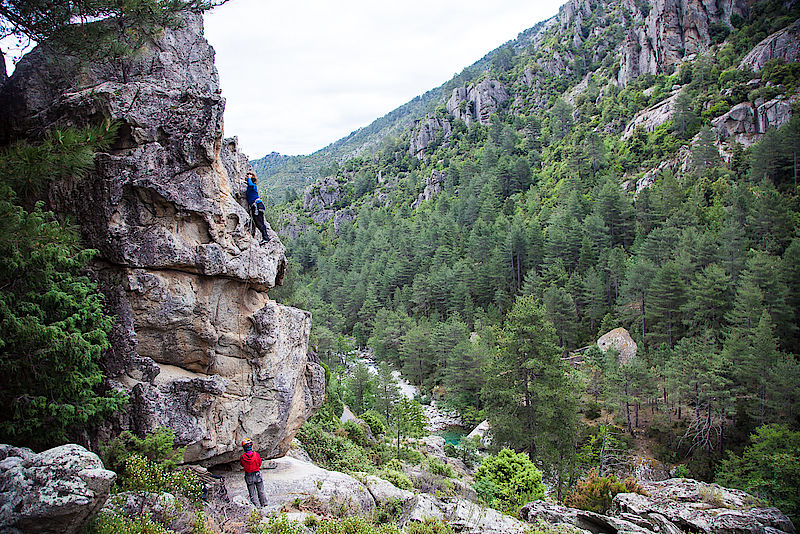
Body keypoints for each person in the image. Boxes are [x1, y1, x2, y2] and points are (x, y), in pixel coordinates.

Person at [240, 438, 268, 507]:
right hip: (257, 474)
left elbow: (242, 464)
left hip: (249, 476)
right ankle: (264, 504)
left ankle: (256, 506)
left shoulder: (243, 457)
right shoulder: (256, 455)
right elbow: (259, 463)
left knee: (252, 493)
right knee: (261, 490)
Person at [245, 171, 270, 244]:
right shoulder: (251, 186)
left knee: (259, 223)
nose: (246, 177)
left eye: (247, 176)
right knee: (257, 222)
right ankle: (265, 237)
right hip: (257, 206)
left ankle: (266, 238)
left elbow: (250, 184)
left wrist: (249, 178)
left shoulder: (252, 186)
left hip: (257, 206)